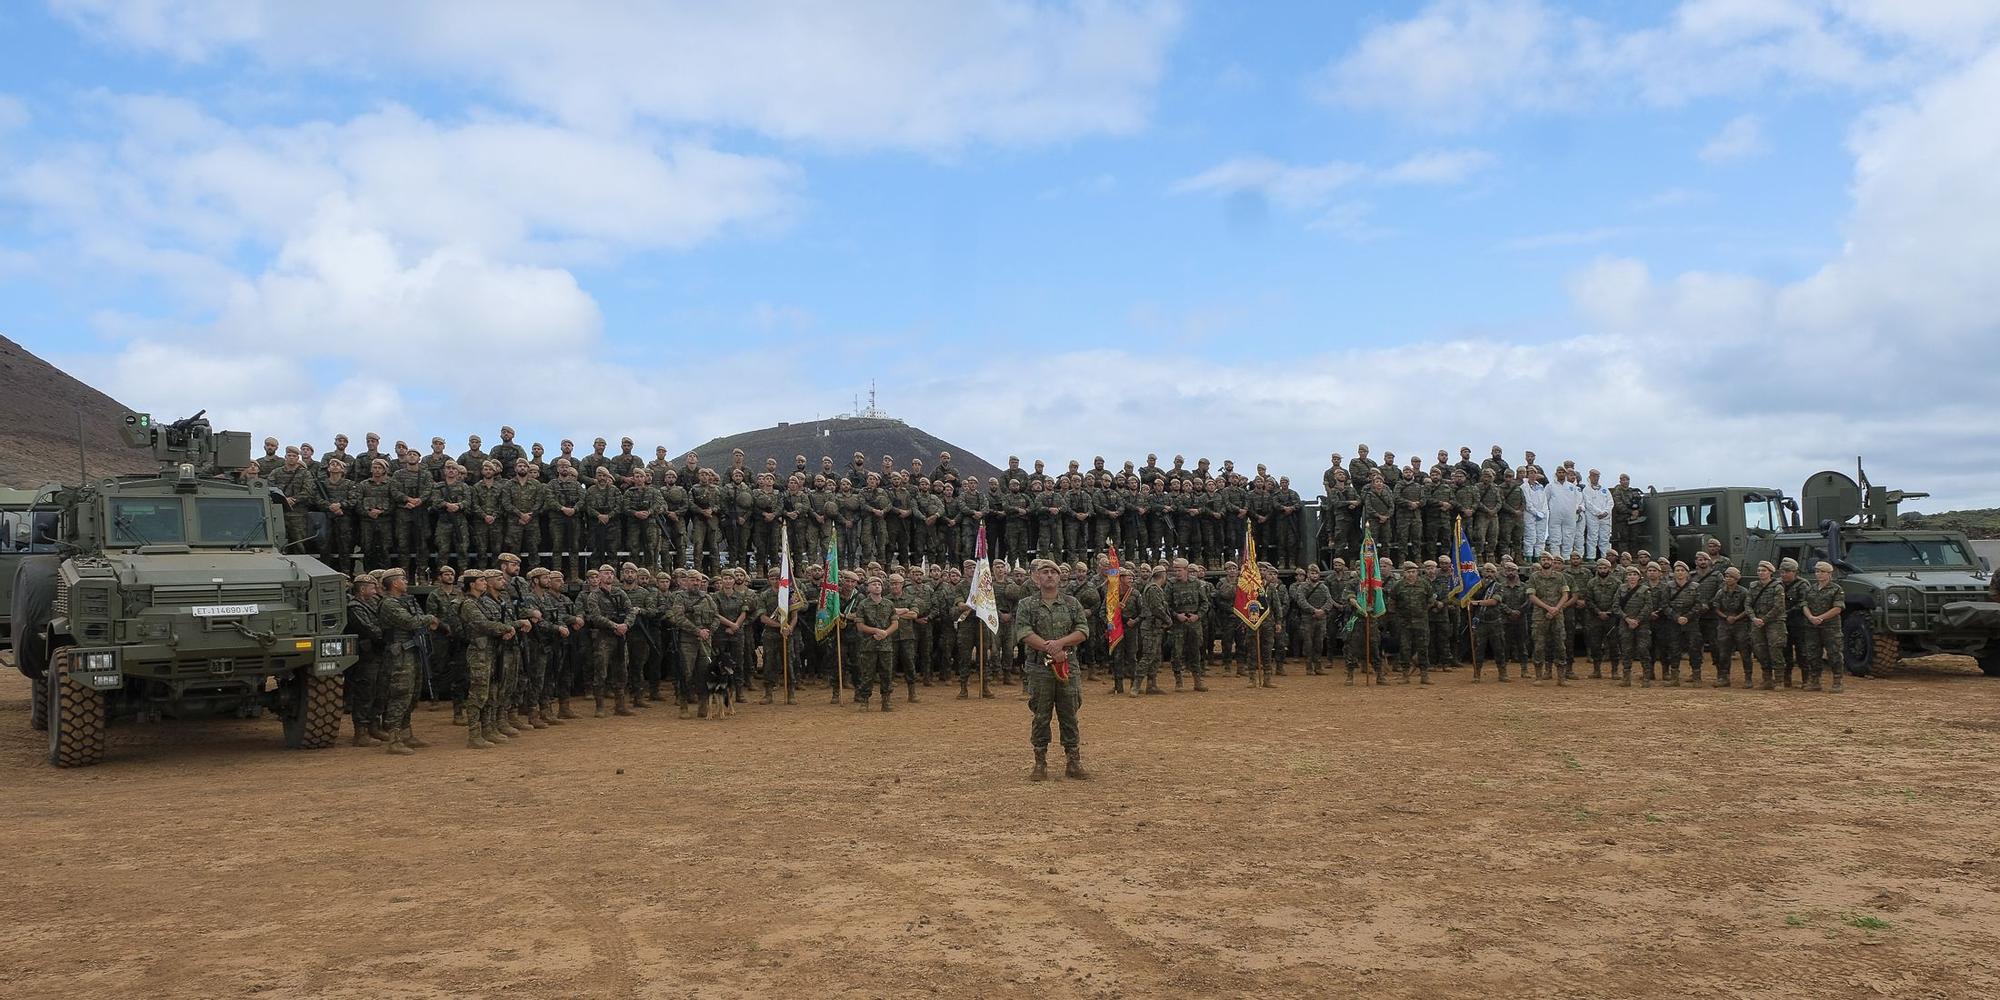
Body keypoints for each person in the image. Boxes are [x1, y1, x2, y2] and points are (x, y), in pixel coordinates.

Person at [1015, 558, 1089, 781]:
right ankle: (1040, 762)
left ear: (1060, 577)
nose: (1049, 575)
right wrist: (1049, 647)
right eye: (1044, 572)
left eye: (1053, 572)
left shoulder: (1071, 603)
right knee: (1041, 714)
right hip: (1039, 669)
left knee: (1069, 714)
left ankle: (1073, 761)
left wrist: (1060, 644)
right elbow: (1024, 632)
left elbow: (1083, 630)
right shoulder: (1026, 604)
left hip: (1068, 667)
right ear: (1037, 577)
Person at [1798, 561, 1846, 693]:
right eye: (1817, 571)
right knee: (1812, 653)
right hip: (1811, 626)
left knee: (1834, 653)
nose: (1819, 574)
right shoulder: (1811, 588)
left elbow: (1837, 608)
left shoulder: (1836, 589)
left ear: (1829, 574)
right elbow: (1804, 604)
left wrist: (1821, 618)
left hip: (1830, 627)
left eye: (1822, 572)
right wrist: (1811, 617)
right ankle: (1815, 681)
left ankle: (1837, 681)